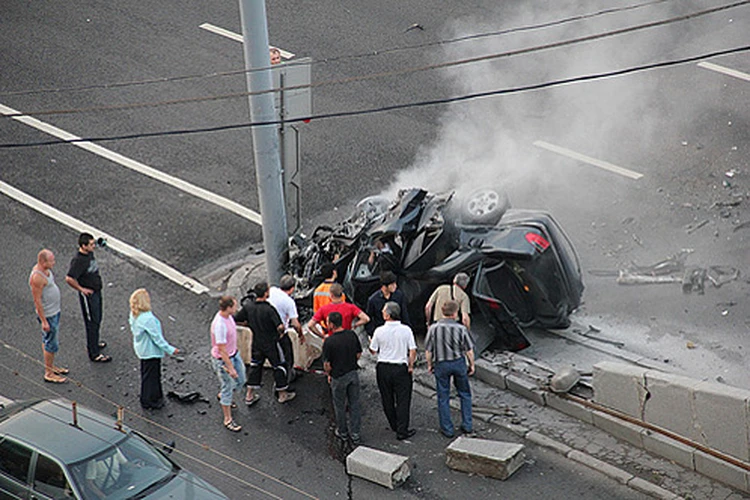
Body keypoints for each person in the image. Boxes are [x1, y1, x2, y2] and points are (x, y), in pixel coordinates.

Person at [424, 300, 476, 438]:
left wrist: (430, 364)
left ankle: (447, 428)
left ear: (443, 312)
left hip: (441, 363)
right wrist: (472, 364)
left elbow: (428, 350)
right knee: (464, 394)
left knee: (443, 396)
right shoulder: (461, 329)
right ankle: (467, 424)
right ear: (455, 313)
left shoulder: (434, 329)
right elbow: (469, 350)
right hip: (458, 363)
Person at [239, 282, 296, 404]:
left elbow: (237, 319)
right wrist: (281, 334)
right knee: (279, 366)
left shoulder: (249, 307)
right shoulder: (269, 309)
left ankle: (249, 395)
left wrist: (248, 324)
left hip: (257, 343)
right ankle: (282, 395)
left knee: (255, 366)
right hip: (272, 344)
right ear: (266, 293)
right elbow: (280, 326)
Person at [369, 301, 417, 440]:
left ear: (388, 315)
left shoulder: (379, 331)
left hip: (383, 367)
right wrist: (411, 365)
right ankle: (402, 430)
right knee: (403, 400)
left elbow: (373, 350)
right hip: (400, 368)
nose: (382, 312)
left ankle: (394, 424)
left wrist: (371, 341)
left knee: (387, 398)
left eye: (384, 311)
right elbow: (412, 350)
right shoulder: (406, 330)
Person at [129, 289, 179, 410]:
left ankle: (153, 396)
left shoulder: (134, 314)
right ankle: (149, 400)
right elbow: (157, 338)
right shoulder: (148, 319)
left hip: (142, 349)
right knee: (152, 376)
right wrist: (171, 349)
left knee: (147, 374)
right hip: (150, 351)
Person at [65, 233, 110, 362]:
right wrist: (81, 289)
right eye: (91, 244)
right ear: (83, 246)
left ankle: (94, 343)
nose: (93, 246)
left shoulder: (88, 254)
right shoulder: (79, 261)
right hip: (89, 295)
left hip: (96, 291)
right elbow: (69, 278)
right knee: (92, 322)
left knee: (97, 319)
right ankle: (94, 353)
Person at [210, 295, 250, 432]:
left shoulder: (228, 317)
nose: (237, 308)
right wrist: (230, 368)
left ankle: (224, 396)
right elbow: (221, 349)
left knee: (241, 380)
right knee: (228, 386)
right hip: (224, 360)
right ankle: (228, 419)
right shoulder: (220, 325)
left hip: (234, 353)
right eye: (234, 306)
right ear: (228, 308)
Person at [322, 312, 363, 445]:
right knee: (354, 404)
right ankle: (356, 433)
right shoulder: (351, 335)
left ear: (332, 325)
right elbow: (358, 353)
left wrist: (329, 374)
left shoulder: (329, 341)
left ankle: (343, 432)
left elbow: (327, 364)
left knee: (339, 406)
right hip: (353, 373)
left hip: (338, 377)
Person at [29, 249, 67, 383]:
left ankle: (50, 365)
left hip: (54, 311)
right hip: (49, 314)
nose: (54, 263)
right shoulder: (37, 278)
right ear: (43, 262)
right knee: (51, 342)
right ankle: (49, 373)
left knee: (48, 341)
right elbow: (37, 301)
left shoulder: (45, 271)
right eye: (51, 261)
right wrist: (44, 321)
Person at [268, 275, 304, 383]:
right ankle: (287, 378)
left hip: (267, 329)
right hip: (280, 333)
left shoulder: (272, 290)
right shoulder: (289, 302)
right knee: (288, 356)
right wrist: (301, 334)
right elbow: (296, 324)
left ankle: (283, 372)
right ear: (292, 288)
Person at [365, 271, 410, 338]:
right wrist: (372, 334)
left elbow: (404, 315)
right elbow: (369, 319)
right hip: (382, 333)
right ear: (384, 286)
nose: (395, 286)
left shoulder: (399, 296)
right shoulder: (373, 300)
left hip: (397, 332)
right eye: (392, 284)